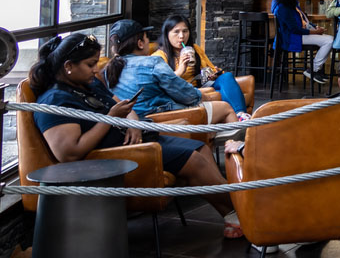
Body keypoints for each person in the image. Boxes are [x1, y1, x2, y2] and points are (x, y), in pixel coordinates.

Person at [29, 33, 242, 238]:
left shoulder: (88, 84)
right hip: (118, 155)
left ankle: (232, 214)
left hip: (138, 139)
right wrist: (111, 119)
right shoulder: (54, 101)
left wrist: (133, 124)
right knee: (194, 160)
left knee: (200, 148)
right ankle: (245, 208)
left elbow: (123, 105)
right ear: (68, 67)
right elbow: (69, 153)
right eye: (90, 65)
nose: (96, 71)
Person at [103, 19, 238, 125]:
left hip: (132, 122)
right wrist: (202, 96)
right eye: (146, 38)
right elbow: (185, 94)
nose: (181, 36)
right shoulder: (153, 62)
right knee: (225, 108)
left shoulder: (109, 68)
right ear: (140, 43)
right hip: (160, 118)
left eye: (185, 31)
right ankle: (236, 150)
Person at [152, 15, 250, 120]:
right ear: (167, 34)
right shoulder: (159, 57)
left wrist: (212, 74)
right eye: (176, 32)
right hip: (184, 93)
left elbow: (209, 69)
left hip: (200, 87)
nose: (181, 36)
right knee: (223, 94)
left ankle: (241, 115)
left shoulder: (195, 49)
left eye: (185, 31)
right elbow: (161, 84)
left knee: (226, 77)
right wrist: (180, 70)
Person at [272, 0, 335, 83]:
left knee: (328, 40)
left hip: (298, 35)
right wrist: (315, 32)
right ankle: (314, 69)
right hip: (292, 38)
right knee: (330, 40)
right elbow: (295, 29)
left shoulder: (291, 5)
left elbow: (303, 21)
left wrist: (315, 28)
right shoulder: (283, 8)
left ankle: (316, 69)